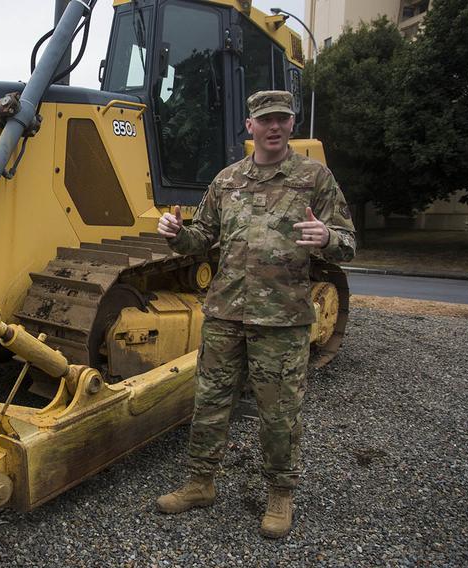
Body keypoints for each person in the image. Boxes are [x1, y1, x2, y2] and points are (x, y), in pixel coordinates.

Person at [155, 90, 356, 538]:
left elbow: (349, 243)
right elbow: (201, 238)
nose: (274, 127)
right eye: (265, 120)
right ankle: (199, 483)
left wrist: (326, 238)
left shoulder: (314, 178)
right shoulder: (227, 181)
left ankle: (280, 495)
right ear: (250, 126)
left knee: (279, 413)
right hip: (226, 314)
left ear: (291, 124)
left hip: (282, 321)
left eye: (282, 119)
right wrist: (175, 234)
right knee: (209, 403)